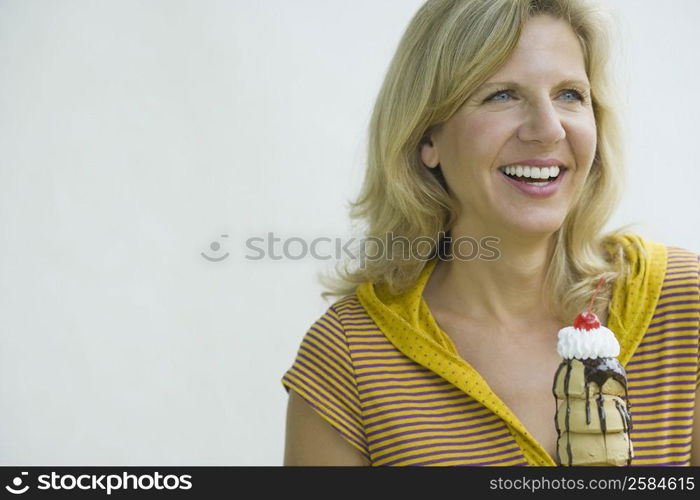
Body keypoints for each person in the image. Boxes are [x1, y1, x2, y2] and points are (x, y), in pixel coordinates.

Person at [281, 0, 700, 466]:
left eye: (569, 94)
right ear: (427, 139)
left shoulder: (683, 304)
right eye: (501, 95)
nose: (547, 129)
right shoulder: (350, 358)